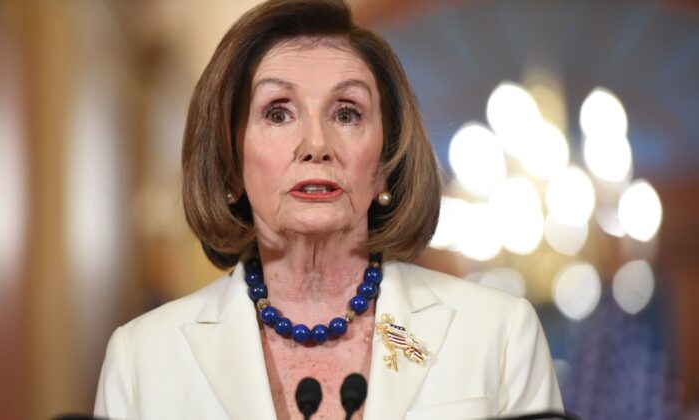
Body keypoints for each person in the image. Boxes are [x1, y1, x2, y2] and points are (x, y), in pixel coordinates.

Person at [94, 0, 563, 418]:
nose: (316, 144)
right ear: (231, 163)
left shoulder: (498, 335)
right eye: (278, 113)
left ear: (384, 162)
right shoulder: (142, 359)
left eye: (347, 113)